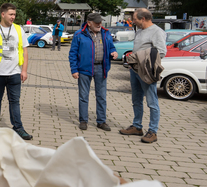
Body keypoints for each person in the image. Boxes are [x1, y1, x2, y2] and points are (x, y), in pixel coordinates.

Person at [0, 3, 33, 140]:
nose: (13, 17)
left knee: (14, 101)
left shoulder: (18, 30)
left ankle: (18, 128)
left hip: (15, 73)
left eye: (14, 15)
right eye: (11, 14)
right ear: (2, 14)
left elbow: (25, 50)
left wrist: (24, 70)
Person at [119, 8, 167, 144]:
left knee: (152, 102)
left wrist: (142, 59)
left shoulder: (157, 32)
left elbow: (161, 52)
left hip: (146, 71)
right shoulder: (139, 30)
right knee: (136, 100)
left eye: (134, 19)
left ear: (143, 19)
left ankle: (153, 131)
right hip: (134, 70)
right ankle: (137, 126)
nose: (132, 21)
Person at [69, 13, 118, 131]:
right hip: (84, 69)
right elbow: (72, 53)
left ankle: (101, 121)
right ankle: (83, 120)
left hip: (102, 68)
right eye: (96, 22)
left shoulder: (105, 33)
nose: (99, 24)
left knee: (101, 96)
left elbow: (111, 47)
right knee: (83, 96)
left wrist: (114, 52)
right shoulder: (79, 34)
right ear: (89, 23)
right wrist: (74, 70)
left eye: (100, 22)